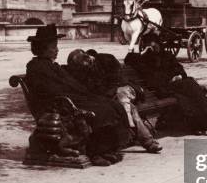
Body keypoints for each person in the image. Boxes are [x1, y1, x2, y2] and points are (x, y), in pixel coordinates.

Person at [26, 25, 131, 166]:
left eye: (56, 46)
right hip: (57, 105)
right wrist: (75, 94)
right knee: (100, 110)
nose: (57, 50)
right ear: (42, 48)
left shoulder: (52, 65)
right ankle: (95, 152)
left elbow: (70, 82)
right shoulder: (36, 67)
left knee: (111, 104)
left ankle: (107, 149)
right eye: (53, 46)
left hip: (69, 99)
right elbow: (49, 91)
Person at [125, 33, 207, 134]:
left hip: (175, 84)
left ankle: (201, 123)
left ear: (159, 43)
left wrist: (179, 75)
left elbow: (179, 69)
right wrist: (143, 52)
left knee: (189, 89)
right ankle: (205, 118)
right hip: (162, 88)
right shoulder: (144, 59)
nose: (155, 48)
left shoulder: (167, 55)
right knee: (190, 86)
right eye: (151, 46)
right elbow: (128, 59)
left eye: (156, 45)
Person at [82, 49, 162, 154]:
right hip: (119, 98)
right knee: (130, 108)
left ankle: (134, 130)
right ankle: (148, 142)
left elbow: (116, 82)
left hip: (126, 92)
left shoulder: (105, 61)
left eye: (90, 60)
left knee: (122, 98)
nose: (90, 63)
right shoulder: (94, 68)